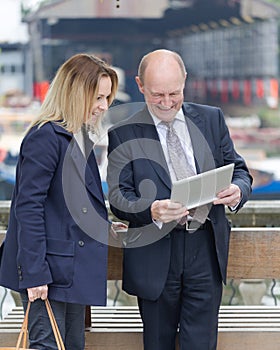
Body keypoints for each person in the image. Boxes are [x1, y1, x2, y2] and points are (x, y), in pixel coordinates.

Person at [107, 49, 252, 350]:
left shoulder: (212, 119)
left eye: (175, 93)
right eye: (157, 94)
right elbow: (118, 199)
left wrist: (238, 191)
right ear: (140, 85)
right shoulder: (123, 133)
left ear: (185, 81)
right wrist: (152, 210)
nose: (167, 102)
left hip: (205, 250)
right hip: (155, 254)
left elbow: (240, 171)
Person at [0, 53, 126, 350]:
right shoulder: (45, 138)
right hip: (47, 273)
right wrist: (34, 275)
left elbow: (69, 204)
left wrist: (103, 225)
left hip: (69, 270)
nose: (103, 106)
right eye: (97, 97)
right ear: (74, 93)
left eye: (107, 98)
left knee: (71, 345)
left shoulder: (77, 136)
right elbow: (28, 208)